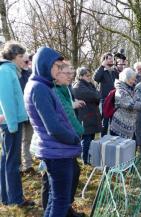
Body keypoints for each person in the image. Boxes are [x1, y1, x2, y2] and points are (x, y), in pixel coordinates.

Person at [24, 47, 81, 216]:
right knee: (60, 200)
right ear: (44, 65)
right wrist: (74, 139)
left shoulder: (42, 86)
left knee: (55, 198)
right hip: (57, 151)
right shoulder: (39, 88)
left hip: (55, 149)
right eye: (56, 66)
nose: (59, 70)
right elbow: (53, 127)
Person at [0, 41, 34, 206]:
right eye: (21, 56)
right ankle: (16, 199)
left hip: (11, 122)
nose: (24, 60)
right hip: (11, 124)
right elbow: (7, 101)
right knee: (13, 161)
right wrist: (13, 125)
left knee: (7, 159)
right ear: (12, 57)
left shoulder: (10, 70)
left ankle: (6, 197)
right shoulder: (6, 71)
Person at [110, 68, 141, 139]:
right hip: (119, 128)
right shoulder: (121, 91)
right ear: (126, 79)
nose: (134, 81)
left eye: (134, 79)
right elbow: (132, 105)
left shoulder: (129, 88)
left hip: (129, 127)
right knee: (121, 148)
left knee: (129, 148)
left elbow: (137, 99)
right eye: (132, 79)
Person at [72, 67, 102, 164]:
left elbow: (98, 95)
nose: (89, 77)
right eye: (87, 75)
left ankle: (87, 157)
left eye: (90, 75)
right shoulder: (78, 86)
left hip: (92, 115)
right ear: (80, 76)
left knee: (90, 138)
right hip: (86, 116)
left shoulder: (89, 85)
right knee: (86, 139)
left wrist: (96, 95)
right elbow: (95, 95)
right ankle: (84, 159)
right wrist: (96, 95)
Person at [94, 52, 118, 136]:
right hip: (105, 100)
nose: (112, 60)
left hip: (114, 100)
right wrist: (102, 66)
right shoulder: (101, 70)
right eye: (109, 58)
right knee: (105, 121)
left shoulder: (114, 71)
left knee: (114, 122)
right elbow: (96, 78)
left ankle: (113, 140)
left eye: (112, 58)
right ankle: (103, 140)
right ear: (104, 60)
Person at [19, 53, 35, 174]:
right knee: (18, 140)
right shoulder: (14, 73)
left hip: (29, 112)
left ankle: (28, 165)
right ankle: (18, 165)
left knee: (27, 140)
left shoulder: (30, 73)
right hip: (18, 112)